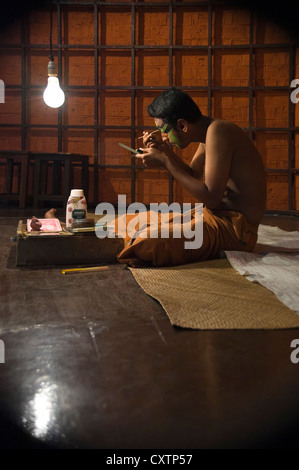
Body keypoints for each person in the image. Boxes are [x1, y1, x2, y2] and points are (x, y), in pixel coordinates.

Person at [117, 87, 266, 267]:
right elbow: (192, 175)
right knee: (127, 222)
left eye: (164, 130)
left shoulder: (218, 131)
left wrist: (165, 161)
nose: (164, 137)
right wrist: (164, 152)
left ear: (182, 125)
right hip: (212, 217)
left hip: (235, 231)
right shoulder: (208, 134)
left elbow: (210, 197)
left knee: (148, 240)